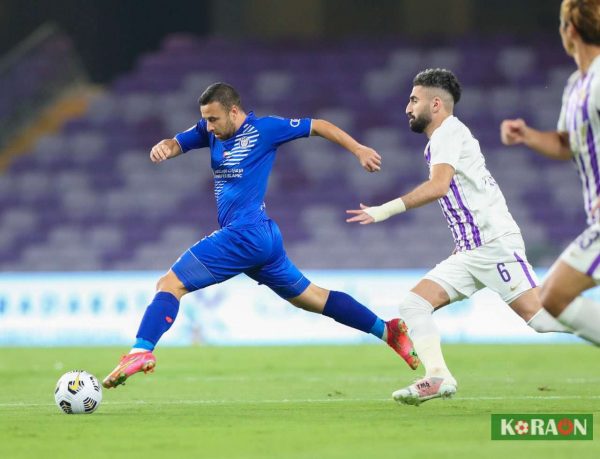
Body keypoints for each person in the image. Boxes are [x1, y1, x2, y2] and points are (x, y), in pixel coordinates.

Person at [103, 82, 419, 389]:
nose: (208, 126)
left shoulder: (265, 130)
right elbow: (177, 143)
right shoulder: (208, 131)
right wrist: (165, 147)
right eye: (205, 119)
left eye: (214, 119)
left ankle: (140, 351)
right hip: (262, 239)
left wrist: (358, 149)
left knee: (170, 284)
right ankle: (388, 331)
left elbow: (318, 125)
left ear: (234, 111)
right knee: (312, 298)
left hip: (245, 234)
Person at [347, 68, 570, 406]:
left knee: (539, 318)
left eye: (413, 100)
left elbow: (439, 187)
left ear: (436, 104)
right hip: (471, 249)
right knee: (414, 304)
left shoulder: (448, 132)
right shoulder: (444, 138)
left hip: (493, 245)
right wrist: (461, 242)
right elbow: (464, 194)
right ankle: (437, 377)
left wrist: (384, 210)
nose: (407, 108)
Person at [500, 0, 600, 345]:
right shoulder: (576, 84)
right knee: (554, 296)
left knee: (554, 295)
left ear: (569, 30)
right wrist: (527, 135)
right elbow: (567, 143)